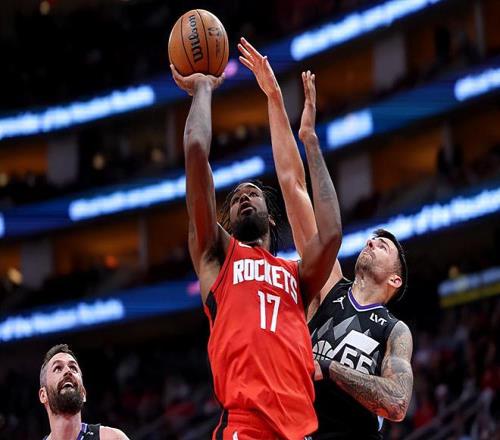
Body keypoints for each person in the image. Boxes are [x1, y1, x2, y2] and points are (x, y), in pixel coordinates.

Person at [238, 37, 414, 439]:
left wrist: (329, 367)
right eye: (372, 239)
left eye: (384, 244)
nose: (372, 242)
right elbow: (292, 186)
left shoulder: (393, 330)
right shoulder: (330, 288)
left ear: (395, 279)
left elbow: (397, 402)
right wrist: (277, 103)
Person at [170, 51, 341, 439]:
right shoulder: (217, 256)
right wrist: (203, 88)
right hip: (246, 427)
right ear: (227, 221)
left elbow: (331, 234)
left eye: (253, 193)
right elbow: (196, 152)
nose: (244, 196)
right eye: (236, 199)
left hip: (300, 430)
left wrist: (311, 142)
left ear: (272, 217)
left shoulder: (296, 275)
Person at [39, 344, 129, 440]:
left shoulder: (111, 437)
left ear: (83, 393)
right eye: (58, 368)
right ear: (43, 395)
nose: (68, 371)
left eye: (73, 368)